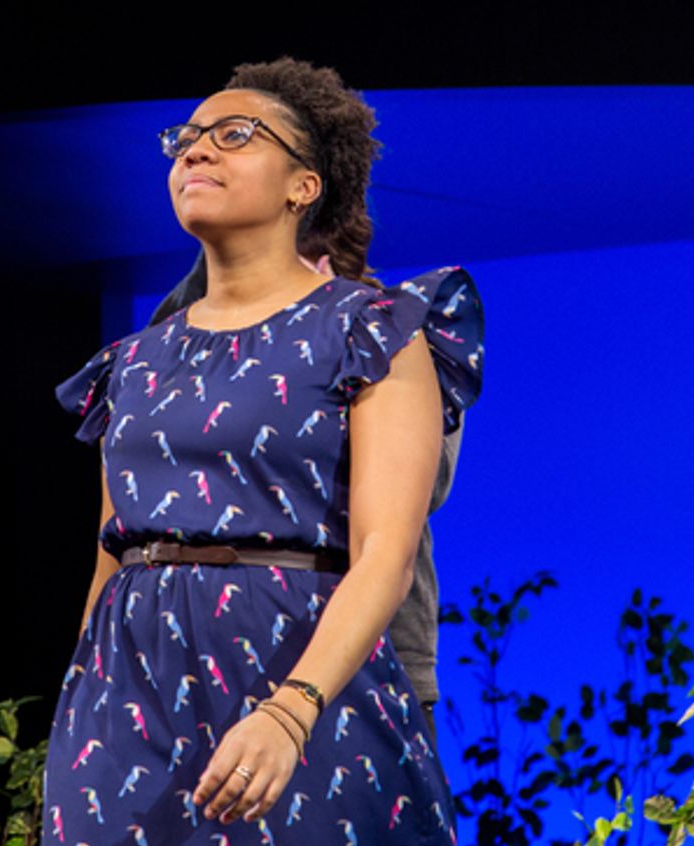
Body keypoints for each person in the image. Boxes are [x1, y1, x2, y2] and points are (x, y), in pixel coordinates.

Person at [39, 58, 484, 846]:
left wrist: (292, 709)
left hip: (295, 669)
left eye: (234, 135)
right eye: (186, 138)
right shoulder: (133, 361)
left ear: (302, 185)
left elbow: (385, 553)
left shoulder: (373, 331)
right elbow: (112, 553)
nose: (197, 150)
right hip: (129, 696)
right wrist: (75, 717)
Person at [150, 252, 466, 748]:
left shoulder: (387, 331)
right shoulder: (181, 326)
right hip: (213, 661)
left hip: (376, 658)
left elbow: (426, 484)